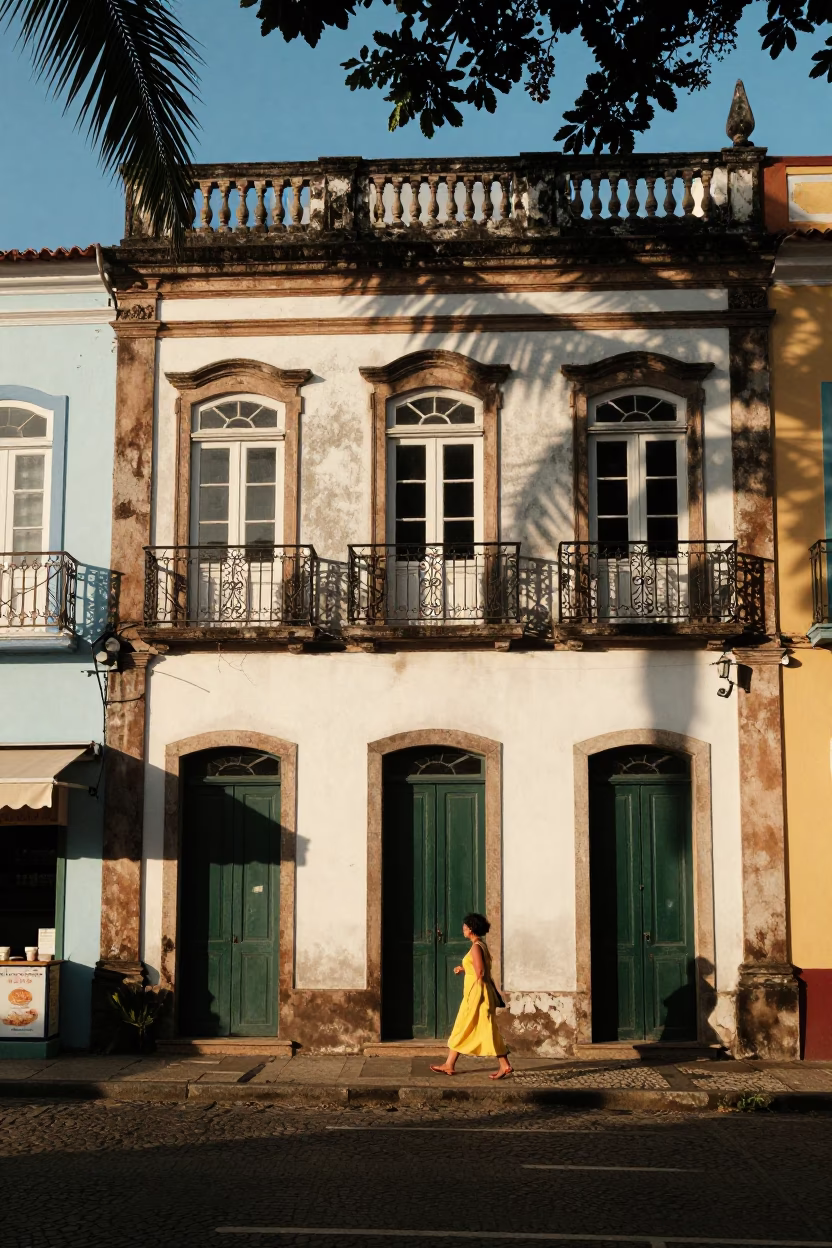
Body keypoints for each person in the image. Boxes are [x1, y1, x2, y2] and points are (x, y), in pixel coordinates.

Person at [430, 912, 512, 1080]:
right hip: (480, 993)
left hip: (476, 994)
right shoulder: (481, 945)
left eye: (465, 927)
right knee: (479, 1027)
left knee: (471, 1027)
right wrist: (464, 969)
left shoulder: (475, 947)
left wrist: (472, 982)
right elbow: (478, 968)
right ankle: (450, 1064)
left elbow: (480, 971)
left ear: (471, 929)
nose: (463, 929)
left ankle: (503, 1065)